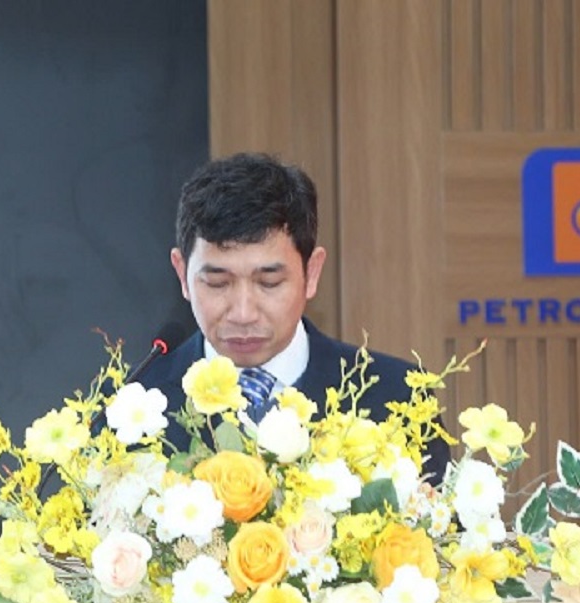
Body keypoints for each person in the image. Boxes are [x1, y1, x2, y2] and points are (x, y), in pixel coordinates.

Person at [134, 151, 440, 476]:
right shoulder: (132, 406)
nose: (243, 313)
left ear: (312, 272)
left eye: (269, 282)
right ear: (182, 274)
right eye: (217, 283)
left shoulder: (398, 398)